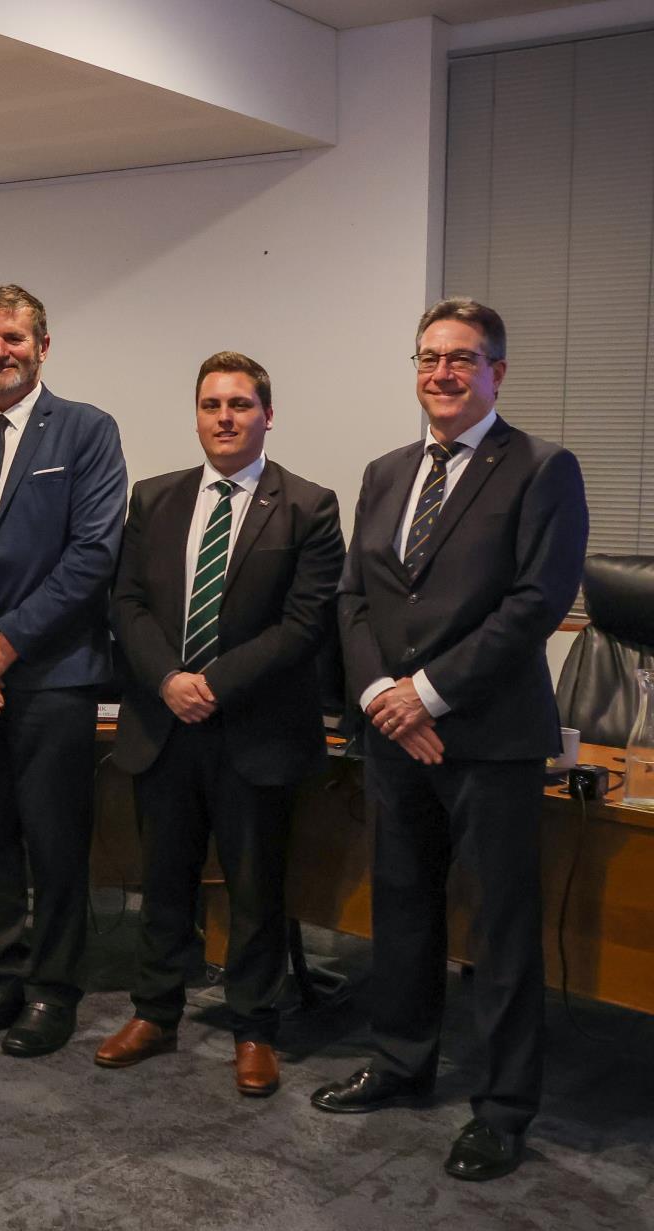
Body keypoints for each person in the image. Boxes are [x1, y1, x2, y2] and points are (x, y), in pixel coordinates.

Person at [312, 300, 587, 1182]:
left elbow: (535, 603)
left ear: (497, 372)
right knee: (401, 908)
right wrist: (378, 695)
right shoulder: (387, 470)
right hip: (394, 734)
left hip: (490, 738)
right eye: (429, 356)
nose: (442, 372)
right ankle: (401, 1061)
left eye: (462, 359)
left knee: (500, 932)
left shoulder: (542, 467)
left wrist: (426, 694)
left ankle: (503, 1107)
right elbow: (354, 597)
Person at [98, 351, 344, 1095]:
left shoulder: (309, 504)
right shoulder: (155, 498)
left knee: (256, 889)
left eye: (241, 404)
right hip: (165, 724)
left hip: (256, 731)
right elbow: (126, 604)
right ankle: (155, 1011)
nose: (225, 417)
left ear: (268, 414)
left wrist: (212, 684)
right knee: (164, 881)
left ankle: (253, 1026)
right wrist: (170, 680)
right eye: (212, 404)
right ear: (197, 415)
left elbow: (303, 626)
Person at [0, 283, 126, 1056]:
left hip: (51, 675)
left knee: (54, 839)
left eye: (12, 338)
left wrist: (3, 647)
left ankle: (54, 989)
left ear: (43, 344)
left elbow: (92, 556)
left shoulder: (85, 431)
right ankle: (2, 977)